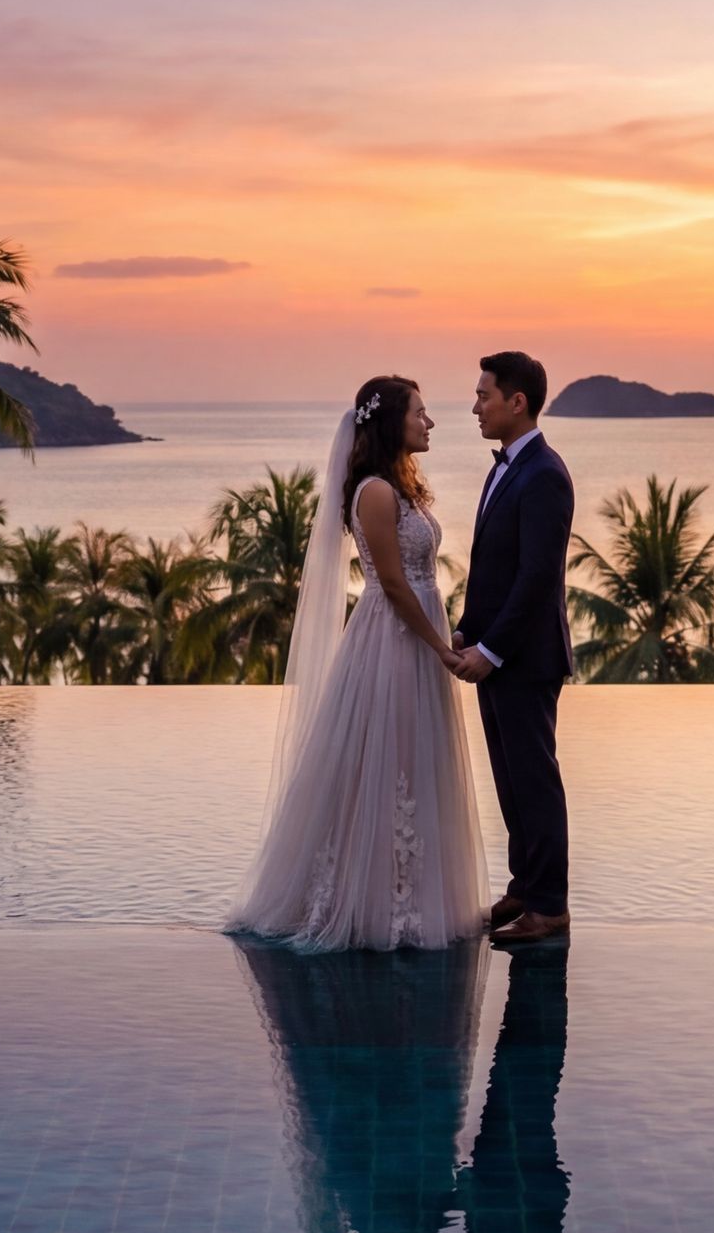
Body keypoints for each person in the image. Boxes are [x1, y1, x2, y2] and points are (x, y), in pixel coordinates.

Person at [227, 375, 489, 951]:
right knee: (388, 759)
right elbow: (393, 584)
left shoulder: (405, 488)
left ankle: (413, 889)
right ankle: (370, 898)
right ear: (392, 421)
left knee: (415, 758)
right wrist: (441, 647)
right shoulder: (375, 491)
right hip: (394, 640)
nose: (430, 421)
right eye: (421, 412)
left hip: (418, 632)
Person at [448, 351, 575, 943]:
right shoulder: (504, 469)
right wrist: (468, 633)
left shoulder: (545, 473)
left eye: (483, 395)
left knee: (534, 777)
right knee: (509, 776)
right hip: (497, 653)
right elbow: (491, 569)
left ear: (515, 402)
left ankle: (549, 905)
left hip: (525, 657)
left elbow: (536, 577)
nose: (475, 406)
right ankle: (524, 887)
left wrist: (492, 650)